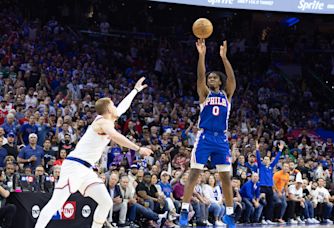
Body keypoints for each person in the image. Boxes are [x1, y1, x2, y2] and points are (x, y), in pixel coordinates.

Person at [34, 77, 153, 228]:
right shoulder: (102, 122)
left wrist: (135, 91)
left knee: (106, 202)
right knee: (56, 203)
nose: (116, 107)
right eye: (113, 105)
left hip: (86, 169)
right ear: (109, 109)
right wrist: (138, 148)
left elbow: (123, 107)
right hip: (74, 167)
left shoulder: (107, 118)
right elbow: (115, 136)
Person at [179, 39, 236, 227]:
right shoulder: (205, 94)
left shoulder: (226, 94)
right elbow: (200, 77)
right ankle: (184, 210)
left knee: (226, 177)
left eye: (214, 78)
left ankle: (229, 214)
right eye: (209, 78)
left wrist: (224, 58)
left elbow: (232, 79)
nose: (210, 79)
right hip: (204, 137)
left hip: (221, 139)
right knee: (194, 173)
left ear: (220, 81)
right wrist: (201, 55)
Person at [256, 140, 283, 225]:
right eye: (265, 159)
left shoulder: (271, 167)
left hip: (270, 187)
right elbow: (257, 158)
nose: (267, 160)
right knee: (264, 202)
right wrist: (257, 150)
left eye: (268, 159)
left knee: (270, 204)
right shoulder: (261, 166)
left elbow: (276, 159)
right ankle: (262, 218)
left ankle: (268, 219)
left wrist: (280, 150)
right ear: (263, 160)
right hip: (263, 187)